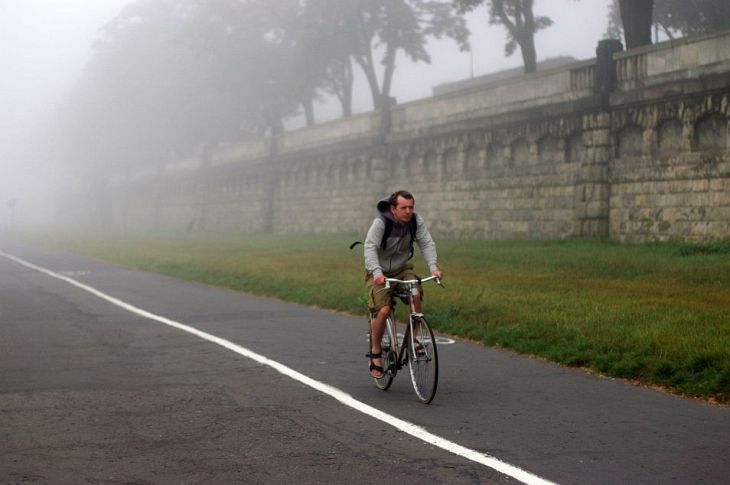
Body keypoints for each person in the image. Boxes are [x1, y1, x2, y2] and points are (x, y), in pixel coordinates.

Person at [364, 190, 443, 378]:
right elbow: (370, 248)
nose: (408, 211)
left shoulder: (415, 222)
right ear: (393, 208)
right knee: (382, 310)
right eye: (403, 208)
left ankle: (413, 340)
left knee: (415, 292)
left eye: (411, 207)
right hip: (378, 272)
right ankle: (376, 352)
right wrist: (376, 273)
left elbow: (426, 243)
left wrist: (434, 268)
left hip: (402, 269)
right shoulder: (381, 223)